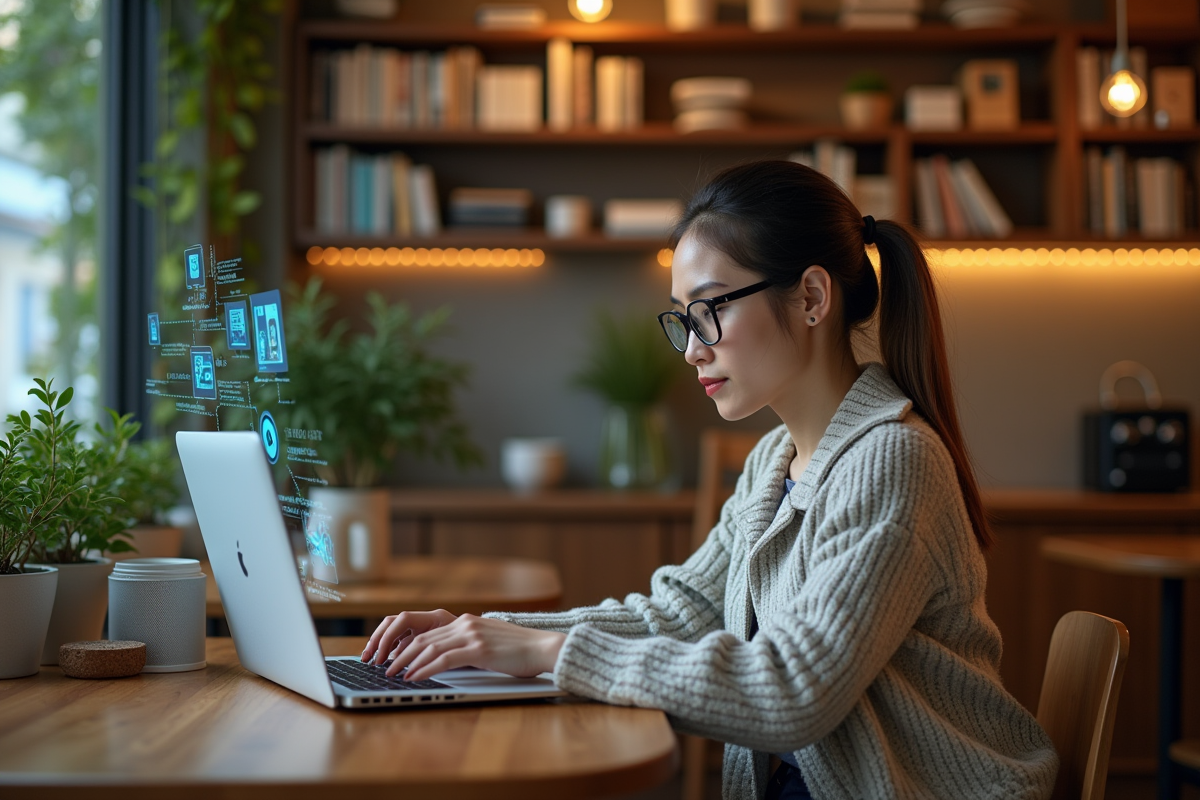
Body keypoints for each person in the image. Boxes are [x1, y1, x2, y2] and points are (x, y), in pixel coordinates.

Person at [361, 161, 1058, 800]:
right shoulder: (773, 463)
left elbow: (793, 692)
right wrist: (483, 632)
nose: (692, 348)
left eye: (711, 309)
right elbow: (679, 612)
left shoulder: (893, 461)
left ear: (812, 297)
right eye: (684, 318)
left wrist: (549, 652)